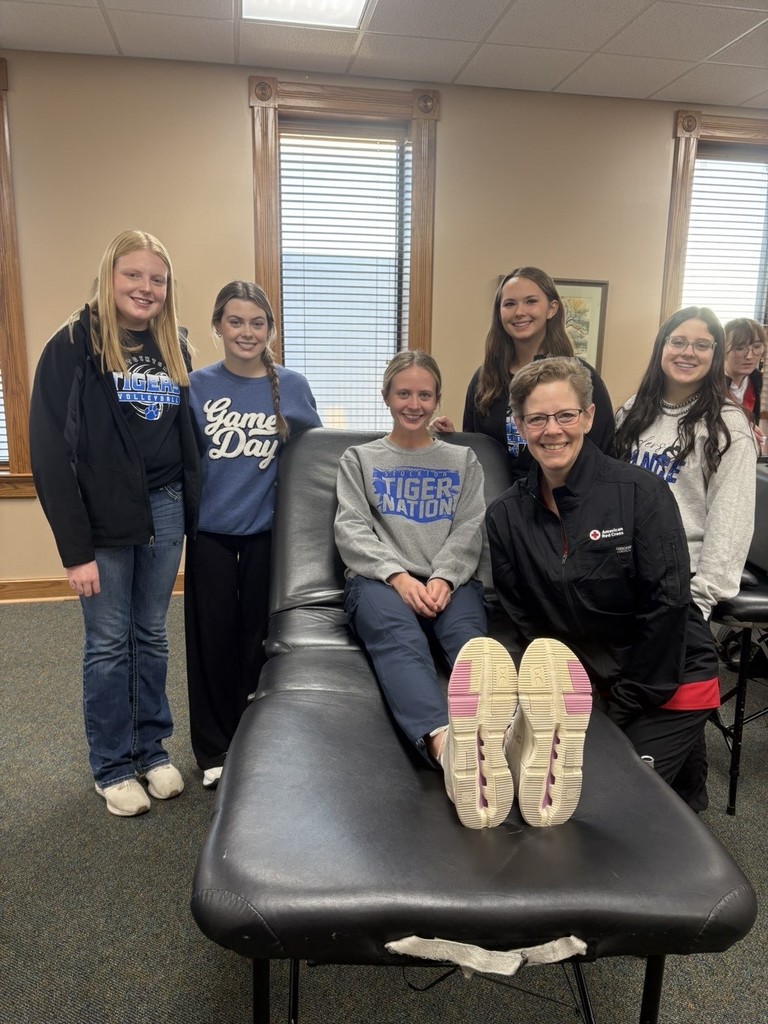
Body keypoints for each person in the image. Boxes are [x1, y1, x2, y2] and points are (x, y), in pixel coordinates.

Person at [333, 350, 590, 829]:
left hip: (450, 582)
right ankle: (448, 747)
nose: (414, 403)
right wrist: (398, 576)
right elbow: (352, 529)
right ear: (387, 396)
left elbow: (471, 526)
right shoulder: (359, 459)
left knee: (475, 650)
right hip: (379, 583)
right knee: (401, 645)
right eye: (404, 393)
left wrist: (444, 577)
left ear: (437, 399)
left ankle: (518, 736)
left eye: (424, 394)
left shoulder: (461, 459)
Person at [487, 356, 719, 812]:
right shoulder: (505, 516)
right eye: (536, 418)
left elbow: (668, 605)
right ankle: (684, 794)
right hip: (592, 684)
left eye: (565, 415)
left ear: (588, 417)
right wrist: (570, 692)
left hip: (667, 680)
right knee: (570, 792)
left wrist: (622, 704)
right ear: (519, 425)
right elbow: (526, 619)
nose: (552, 430)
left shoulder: (640, 493)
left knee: (604, 803)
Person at [29, 230, 200, 818]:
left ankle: (150, 750)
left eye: (157, 278)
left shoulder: (174, 343)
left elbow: (186, 440)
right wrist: (74, 550)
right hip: (101, 519)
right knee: (108, 641)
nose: (145, 288)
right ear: (110, 276)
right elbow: (50, 452)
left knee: (151, 634)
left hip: (165, 506)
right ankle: (112, 764)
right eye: (134, 275)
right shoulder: (73, 344)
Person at [184, 281, 322, 790]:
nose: (247, 332)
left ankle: (256, 737)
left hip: (269, 534)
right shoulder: (194, 385)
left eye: (257, 323)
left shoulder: (294, 385)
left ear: (270, 330)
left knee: (258, 639)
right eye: (236, 321)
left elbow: (316, 460)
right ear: (218, 326)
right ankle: (213, 747)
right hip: (210, 535)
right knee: (211, 640)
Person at [615, 307, 758, 622]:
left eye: (702, 345)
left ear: (715, 353)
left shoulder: (727, 425)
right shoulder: (632, 411)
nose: (688, 352)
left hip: (680, 580)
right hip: (620, 569)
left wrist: (700, 599)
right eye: (678, 341)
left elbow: (730, 522)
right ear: (662, 347)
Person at [432, 267, 615, 483]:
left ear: (552, 308)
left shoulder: (581, 376)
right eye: (510, 304)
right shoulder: (484, 379)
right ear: (499, 313)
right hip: (501, 503)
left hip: (568, 502)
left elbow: (603, 453)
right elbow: (479, 453)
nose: (519, 312)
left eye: (530, 301)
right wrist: (455, 440)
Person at [723, 317, 766, 453]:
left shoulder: (756, 378)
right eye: (740, 348)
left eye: (757, 347)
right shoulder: (710, 381)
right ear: (723, 349)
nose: (749, 356)